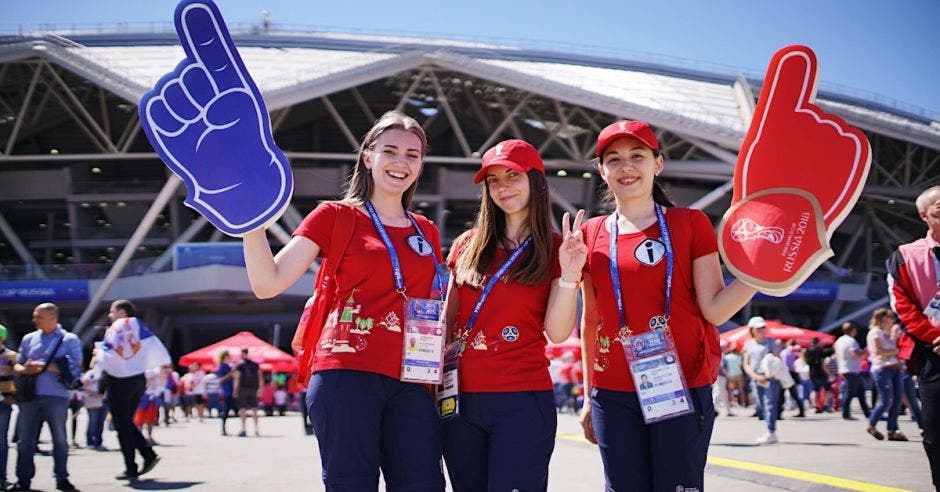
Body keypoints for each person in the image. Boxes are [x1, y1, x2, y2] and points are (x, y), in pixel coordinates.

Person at [243, 111, 446, 491]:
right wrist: (249, 222)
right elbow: (267, 283)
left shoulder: (428, 231)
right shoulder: (334, 216)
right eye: (390, 151)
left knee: (424, 482)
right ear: (368, 156)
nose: (401, 162)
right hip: (346, 373)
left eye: (412, 155)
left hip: (412, 380)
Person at [578, 120, 757, 491]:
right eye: (614, 159)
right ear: (601, 170)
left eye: (637, 156)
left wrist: (762, 275)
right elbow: (591, 319)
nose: (626, 166)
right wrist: (587, 393)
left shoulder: (690, 223)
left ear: (657, 164)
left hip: (682, 385)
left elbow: (716, 310)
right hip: (612, 393)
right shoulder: (590, 232)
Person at [442, 139, 586, 491]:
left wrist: (569, 274)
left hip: (520, 400)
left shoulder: (556, 248)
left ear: (535, 181)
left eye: (512, 175)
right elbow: (446, 325)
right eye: (493, 180)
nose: (502, 186)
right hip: (458, 401)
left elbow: (558, 332)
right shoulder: (467, 244)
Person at [888, 185, 940, 488]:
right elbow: (903, 306)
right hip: (932, 354)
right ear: (924, 215)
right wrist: (933, 337)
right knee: (935, 432)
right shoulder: (904, 257)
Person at [9, 302, 82, 492]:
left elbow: (75, 367)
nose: (35, 320)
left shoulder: (69, 339)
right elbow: (18, 364)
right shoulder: (29, 338)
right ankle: (23, 480)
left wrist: (46, 366)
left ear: (53, 318)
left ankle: (62, 478)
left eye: (39, 316)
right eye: (35, 316)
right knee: (25, 441)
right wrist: (25, 368)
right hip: (30, 395)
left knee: (59, 439)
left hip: (56, 395)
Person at [96, 300, 170, 481]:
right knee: (126, 421)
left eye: (112, 311)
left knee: (122, 424)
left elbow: (107, 352)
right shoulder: (140, 327)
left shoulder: (116, 328)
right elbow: (154, 347)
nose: (110, 315)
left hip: (119, 379)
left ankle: (132, 466)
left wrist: (98, 356)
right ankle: (146, 454)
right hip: (138, 378)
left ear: (121, 311)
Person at [866, 308, 907, 441]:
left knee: (896, 400)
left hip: (894, 368)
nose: (893, 320)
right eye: (890, 317)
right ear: (882, 318)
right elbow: (878, 351)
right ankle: (871, 424)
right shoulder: (875, 332)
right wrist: (896, 350)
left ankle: (892, 429)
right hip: (883, 369)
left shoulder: (885, 333)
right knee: (886, 400)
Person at [834, 322, 870, 420]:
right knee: (850, 392)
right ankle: (846, 413)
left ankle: (867, 413)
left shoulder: (839, 341)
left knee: (860, 391)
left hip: (843, 368)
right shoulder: (851, 341)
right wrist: (864, 352)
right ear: (853, 330)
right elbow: (854, 353)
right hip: (852, 369)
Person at [742, 317, 775, 425]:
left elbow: (777, 360)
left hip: (769, 377)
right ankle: (768, 428)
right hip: (755, 378)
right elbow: (746, 364)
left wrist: (767, 375)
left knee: (769, 404)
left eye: (763, 327)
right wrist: (755, 376)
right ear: (752, 330)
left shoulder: (771, 342)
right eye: (758, 328)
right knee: (760, 404)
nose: (761, 330)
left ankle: (770, 430)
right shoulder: (748, 344)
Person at [0, 324, 18, 490]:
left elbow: (18, 379)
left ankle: (1, 478)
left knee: (1, 442)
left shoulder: (11, 356)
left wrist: (10, 397)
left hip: (2, 405)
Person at [233, 348, 261, 436]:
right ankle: (256, 429)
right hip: (253, 389)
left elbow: (237, 378)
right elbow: (260, 377)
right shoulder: (255, 364)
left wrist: (235, 390)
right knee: (254, 409)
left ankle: (244, 429)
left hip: (243, 389)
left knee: (242, 409)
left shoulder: (240, 364)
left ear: (241, 354)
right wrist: (260, 389)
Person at [804, 338, 832, 413]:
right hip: (821, 373)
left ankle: (816, 406)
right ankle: (825, 405)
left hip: (812, 373)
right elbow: (823, 363)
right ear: (818, 342)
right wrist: (828, 373)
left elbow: (807, 362)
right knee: (828, 389)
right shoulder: (821, 350)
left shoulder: (808, 350)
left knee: (815, 390)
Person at [215, 352, 236, 435]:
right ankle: (223, 429)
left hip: (230, 390)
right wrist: (230, 374)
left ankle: (224, 429)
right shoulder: (222, 367)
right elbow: (220, 379)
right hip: (226, 391)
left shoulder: (228, 366)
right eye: (228, 357)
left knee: (228, 409)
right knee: (226, 410)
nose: (229, 358)